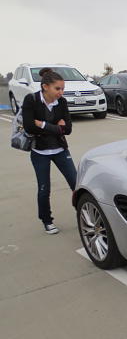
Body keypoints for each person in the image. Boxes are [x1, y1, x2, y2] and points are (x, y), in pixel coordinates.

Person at [21, 68, 76, 235]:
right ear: (45, 87)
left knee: (77, 184)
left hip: (60, 149)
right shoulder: (31, 100)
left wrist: (42, 124)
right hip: (40, 151)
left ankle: (85, 211)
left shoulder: (62, 102)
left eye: (62, 89)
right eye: (57, 89)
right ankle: (47, 220)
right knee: (44, 188)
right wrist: (55, 127)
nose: (61, 92)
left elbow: (67, 130)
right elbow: (29, 127)